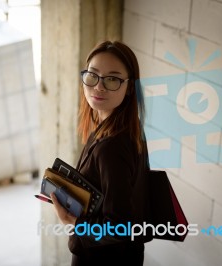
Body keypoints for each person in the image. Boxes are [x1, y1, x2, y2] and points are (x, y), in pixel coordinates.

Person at [51, 40, 152, 266]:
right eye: (92, 75)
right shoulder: (125, 127)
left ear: (130, 88)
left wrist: (72, 221)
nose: (98, 86)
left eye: (113, 79)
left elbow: (119, 227)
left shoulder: (112, 146)